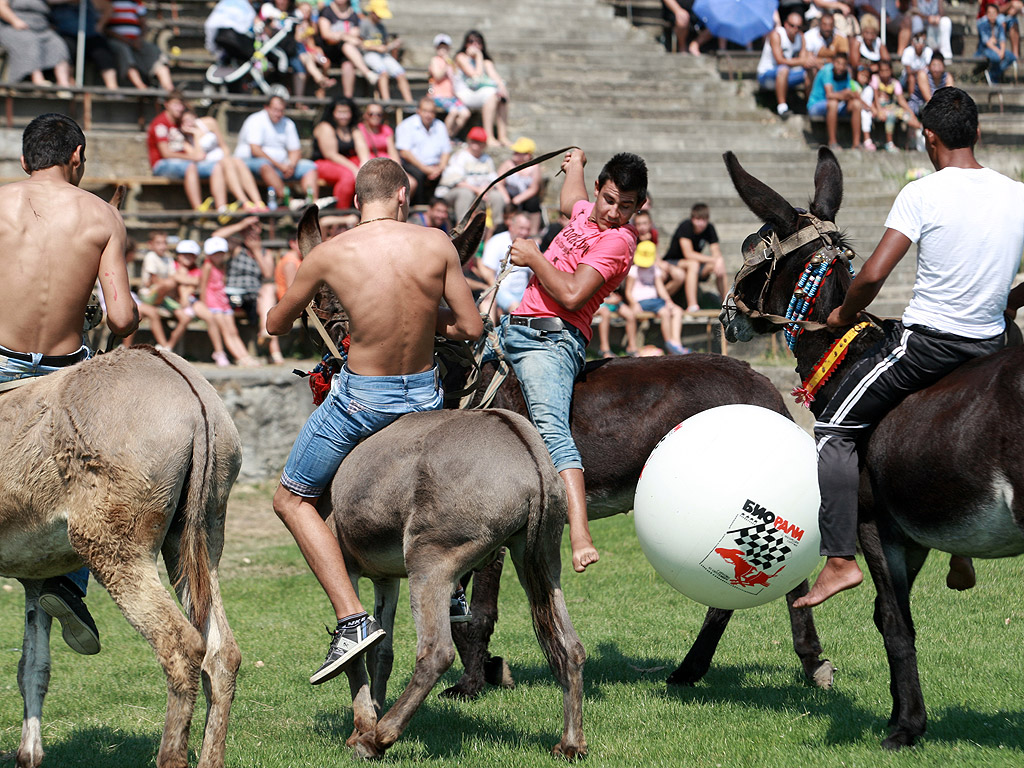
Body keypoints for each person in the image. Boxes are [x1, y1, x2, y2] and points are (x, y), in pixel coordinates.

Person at [793, 88, 1024, 609]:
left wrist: (842, 315)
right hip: (991, 346)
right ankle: (957, 550)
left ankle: (838, 561)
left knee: (832, 426)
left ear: (928, 137)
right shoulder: (1017, 193)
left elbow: (873, 273)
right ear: (978, 133)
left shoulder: (921, 193)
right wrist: (1010, 300)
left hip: (928, 347)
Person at [267, 157, 482, 684]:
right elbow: (470, 325)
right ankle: (452, 587)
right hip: (425, 398)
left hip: (363, 402)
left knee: (290, 500)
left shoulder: (329, 254)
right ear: (403, 196)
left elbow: (274, 324)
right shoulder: (436, 245)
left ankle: (351, 619)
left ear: (357, 200)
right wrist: (419, 314)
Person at [0, 113, 138, 654]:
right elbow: (122, 319)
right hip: (65, 380)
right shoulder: (102, 216)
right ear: (77, 157)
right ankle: (68, 581)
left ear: (23, 160)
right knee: (90, 483)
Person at [496, 150, 647, 573]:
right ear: (600, 189)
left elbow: (571, 295)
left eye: (627, 207)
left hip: (551, 342)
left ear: (640, 207)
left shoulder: (620, 241)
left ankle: (579, 533)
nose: (615, 213)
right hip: (511, 329)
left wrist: (533, 258)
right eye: (610, 200)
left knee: (551, 430)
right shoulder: (586, 212)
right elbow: (570, 202)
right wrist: (577, 164)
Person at [148, 92, 231, 213]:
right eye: (176, 104)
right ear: (166, 105)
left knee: (216, 167)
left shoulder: (180, 123)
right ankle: (199, 209)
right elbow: (165, 153)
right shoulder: (160, 124)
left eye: (181, 105)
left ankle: (222, 209)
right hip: (162, 164)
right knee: (190, 167)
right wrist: (192, 157)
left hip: (183, 162)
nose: (179, 108)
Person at [235, 95, 319, 204]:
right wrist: (280, 166)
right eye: (275, 110)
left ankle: (313, 202)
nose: (278, 114)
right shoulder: (255, 120)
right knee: (264, 165)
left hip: (281, 166)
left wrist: (291, 166)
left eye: (281, 111)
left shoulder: (288, 123)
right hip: (251, 163)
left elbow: (295, 150)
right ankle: (289, 201)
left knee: (310, 167)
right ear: (266, 108)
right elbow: (255, 150)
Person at [181, 108, 265, 214]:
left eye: (189, 119)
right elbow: (199, 156)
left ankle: (258, 201)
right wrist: (196, 135)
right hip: (209, 164)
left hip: (223, 158)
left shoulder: (209, 122)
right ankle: (244, 201)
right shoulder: (186, 139)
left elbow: (223, 145)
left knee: (237, 161)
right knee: (225, 164)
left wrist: (226, 156)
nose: (188, 123)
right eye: (184, 121)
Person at [200, 235, 260, 367]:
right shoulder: (208, 266)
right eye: (215, 254)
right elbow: (203, 286)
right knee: (226, 331)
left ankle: (245, 356)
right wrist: (204, 304)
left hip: (223, 301)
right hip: (213, 302)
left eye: (220, 253)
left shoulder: (223, 266)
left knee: (233, 330)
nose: (218, 256)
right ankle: (240, 357)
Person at [622, 240, 687, 355]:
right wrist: (633, 303)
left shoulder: (654, 270)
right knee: (634, 315)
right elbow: (628, 291)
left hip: (654, 301)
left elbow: (660, 288)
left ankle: (669, 343)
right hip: (640, 301)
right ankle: (632, 346)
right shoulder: (633, 271)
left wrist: (668, 301)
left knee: (665, 312)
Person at [663, 203, 727, 313]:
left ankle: (726, 302)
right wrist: (715, 259)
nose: (700, 223)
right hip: (673, 261)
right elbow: (689, 254)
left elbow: (716, 251)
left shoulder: (710, 228)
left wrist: (718, 261)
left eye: (703, 220)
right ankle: (692, 305)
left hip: (693, 264)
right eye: (698, 219)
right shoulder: (685, 227)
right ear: (692, 219)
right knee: (693, 264)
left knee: (718, 265)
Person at [437, 126, 505, 229]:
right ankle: (461, 227)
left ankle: (496, 228)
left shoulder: (487, 159)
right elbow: (457, 182)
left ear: (484, 144)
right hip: (451, 193)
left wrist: (485, 190)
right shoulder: (460, 156)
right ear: (469, 140)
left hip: (479, 193)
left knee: (497, 196)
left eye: (479, 142)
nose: (476, 145)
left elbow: (493, 180)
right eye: (474, 141)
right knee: (465, 193)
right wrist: (478, 190)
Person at [453, 30, 511, 147]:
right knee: (491, 95)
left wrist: (503, 90)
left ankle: (503, 136)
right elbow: (476, 77)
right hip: (465, 94)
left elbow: (496, 78)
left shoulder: (487, 62)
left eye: (478, 42)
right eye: (471, 41)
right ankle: (489, 137)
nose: (475, 45)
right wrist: (478, 56)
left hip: (480, 93)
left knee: (500, 95)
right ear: (466, 44)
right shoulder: (461, 57)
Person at [103, 0, 176, 91]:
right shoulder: (106, 3)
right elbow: (104, 28)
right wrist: (126, 40)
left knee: (155, 52)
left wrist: (139, 39)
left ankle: (169, 89)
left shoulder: (136, 3)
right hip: (115, 40)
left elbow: (144, 25)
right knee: (124, 51)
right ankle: (141, 87)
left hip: (136, 41)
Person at [0, 0, 72, 87]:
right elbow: (1, 7)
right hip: (12, 26)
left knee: (57, 43)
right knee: (29, 41)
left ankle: (64, 84)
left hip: (42, 28)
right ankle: (38, 81)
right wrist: (15, 21)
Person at [477, 211, 534, 322]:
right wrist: (494, 287)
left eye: (527, 229)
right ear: (511, 226)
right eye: (521, 228)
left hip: (524, 291)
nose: (524, 232)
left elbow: (533, 273)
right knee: (516, 306)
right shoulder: (497, 241)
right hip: (502, 289)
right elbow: (487, 270)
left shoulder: (532, 244)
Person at [316, 0, 377, 99]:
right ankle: (367, 73)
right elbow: (326, 34)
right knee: (347, 46)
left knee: (348, 64)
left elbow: (356, 36)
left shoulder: (353, 13)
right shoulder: (326, 11)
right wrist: (345, 36)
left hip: (346, 54)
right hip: (328, 51)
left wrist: (338, 35)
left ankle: (348, 99)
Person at [395, 96, 451, 205]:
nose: (428, 115)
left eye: (431, 112)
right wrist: (425, 169)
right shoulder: (406, 125)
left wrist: (440, 168)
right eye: (425, 111)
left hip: (435, 167)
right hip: (414, 165)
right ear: (418, 111)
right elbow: (404, 153)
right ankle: (419, 208)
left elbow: (446, 151)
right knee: (419, 176)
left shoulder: (440, 126)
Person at [757, 11, 811, 119]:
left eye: (798, 27)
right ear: (786, 24)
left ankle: (809, 105)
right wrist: (802, 61)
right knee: (783, 69)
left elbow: (805, 59)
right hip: (766, 75)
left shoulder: (801, 37)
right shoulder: (776, 35)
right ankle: (782, 107)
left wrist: (808, 61)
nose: (795, 29)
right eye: (792, 25)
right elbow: (780, 61)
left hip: (788, 74)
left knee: (811, 71)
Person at [358, 0, 412, 104]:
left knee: (400, 72)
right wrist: (376, 48)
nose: (380, 18)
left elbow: (385, 45)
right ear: (372, 12)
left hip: (383, 55)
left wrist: (393, 45)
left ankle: (409, 103)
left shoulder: (381, 27)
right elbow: (360, 44)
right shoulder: (364, 24)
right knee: (383, 72)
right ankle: (386, 101)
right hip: (369, 54)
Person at [313, 97, 362, 209]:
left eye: (346, 112)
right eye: (340, 112)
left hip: (348, 161)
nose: (343, 116)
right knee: (348, 176)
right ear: (333, 113)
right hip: (323, 163)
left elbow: (362, 149)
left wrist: (364, 166)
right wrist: (354, 169)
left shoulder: (353, 128)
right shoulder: (325, 127)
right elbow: (331, 154)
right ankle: (340, 213)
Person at [807, 51, 861, 149]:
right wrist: (844, 94)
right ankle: (832, 142)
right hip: (817, 105)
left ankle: (856, 143)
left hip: (836, 105)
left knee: (856, 104)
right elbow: (829, 95)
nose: (840, 67)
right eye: (838, 63)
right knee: (833, 103)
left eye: (843, 64)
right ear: (833, 62)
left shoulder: (846, 74)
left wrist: (849, 95)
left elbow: (848, 93)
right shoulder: (827, 71)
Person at [871, 58, 923, 151]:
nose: (884, 73)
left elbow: (901, 100)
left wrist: (911, 113)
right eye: (882, 71)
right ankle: (889, 143)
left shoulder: (895, 83)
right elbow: (875, 97)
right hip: (878, 108)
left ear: (891, 71)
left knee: (908, 117)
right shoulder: (875, 79)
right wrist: (878, 110)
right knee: (890, 115)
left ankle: (916, 138)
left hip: (891, 107)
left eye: (887, 70)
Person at [497, 136, 543, 234]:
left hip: (525, 197)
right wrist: (507, 199)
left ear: (527, 155)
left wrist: (517, 200)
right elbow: (499, 184)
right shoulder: (508, 164)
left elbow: (534, 188)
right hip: (509, 195)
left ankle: (534, 233)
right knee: (501, 202)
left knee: (534, 202)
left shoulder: (534, 167)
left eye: (519, 153)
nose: (515, 154)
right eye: (515, 152)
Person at [428, 33, 470, 138]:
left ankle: (450, 135)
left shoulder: (451, 63)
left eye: (445, 47)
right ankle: (445, 138)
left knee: (465, 113)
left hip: (451, 96)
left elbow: (456, 78)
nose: (442, 50)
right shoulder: (435, 60)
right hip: (438, 95)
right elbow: (437, 76)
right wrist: (446, 66)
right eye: (440, 47)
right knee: (454, 111)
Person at [978, 2, 1018, 84]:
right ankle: (993, 77)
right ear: (986, 14)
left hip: (997, 48)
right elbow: (986, 42)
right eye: (989, 13)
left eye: (994, 13)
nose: (992, 15)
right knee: (996, 57)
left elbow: (1002, 39)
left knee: (1012, 57)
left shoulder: (999, 25)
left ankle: (993, 74)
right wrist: (997, 50)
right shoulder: (982, 25)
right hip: (985, 49)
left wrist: (1002, 51)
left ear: (997, 14)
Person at [804, 10, 849, 78]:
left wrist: (822, 61)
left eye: (830, 25)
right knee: (812, 69)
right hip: (816, 67)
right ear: (819, 24)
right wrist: (826, 62)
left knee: (847, 69)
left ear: (834, 25)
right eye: (824, 24)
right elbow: (809, 60)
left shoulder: (841, 37)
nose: (828, 28)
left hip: (834, 67)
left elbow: (842, 60)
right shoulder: (809, 36)